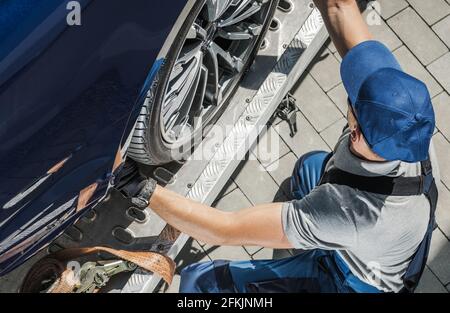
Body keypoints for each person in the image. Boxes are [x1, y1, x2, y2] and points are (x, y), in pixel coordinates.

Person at [124, 0, 439, 293]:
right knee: (309, 168)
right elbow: (339, 6)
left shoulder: (348, 211)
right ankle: (315, 241)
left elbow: (224, 230)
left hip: (352, 282)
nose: (354, 88)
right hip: (387, 236)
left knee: (203, 283)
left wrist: (137, 185)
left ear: (356, 132)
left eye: (353, 102)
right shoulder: (400, 108)